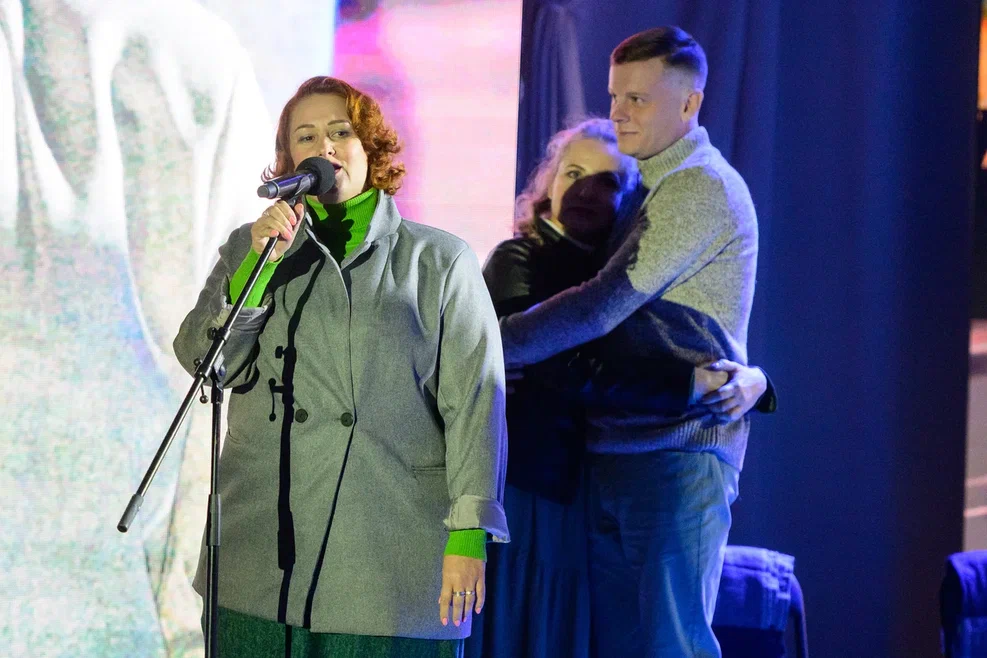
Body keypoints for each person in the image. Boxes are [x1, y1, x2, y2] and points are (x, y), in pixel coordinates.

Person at [173, 76, 509, 657]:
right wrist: (258, 266)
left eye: (340, 131)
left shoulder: (438, 260)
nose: (323, 146)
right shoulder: (250, 248)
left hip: (386, 556)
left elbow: (477, 404)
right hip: (260, 553)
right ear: (288, 162)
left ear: (370, 148)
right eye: (305, 137)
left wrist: (469, 533)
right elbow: (206, 365)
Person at [497, 27, 762, 657]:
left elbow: (600, 307)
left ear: (690, 104)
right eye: (616, 96)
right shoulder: (645, 190)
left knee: (671, 645)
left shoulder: (697, 185)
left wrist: (489, 344)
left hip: (676, 455)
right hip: (620, 455)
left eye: (638, 99)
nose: (619, 113)